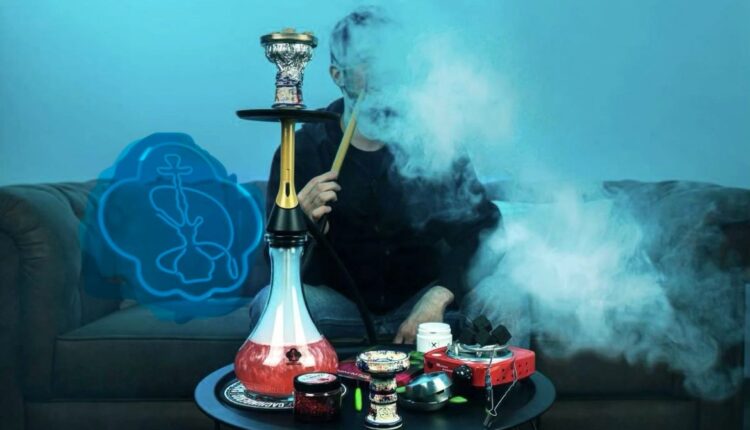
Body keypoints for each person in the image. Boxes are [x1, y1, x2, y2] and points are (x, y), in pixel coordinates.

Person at [249, 7, 509, 345]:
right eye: (367, 61)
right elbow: (273, 264)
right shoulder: (303, 149)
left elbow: (486, 229)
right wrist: (301, 225)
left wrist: (439, 296)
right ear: (337, 75)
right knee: (269, 303)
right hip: (339, 311)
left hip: (424, 310)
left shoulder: (435, 142)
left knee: (502, 296)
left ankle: (497, 382)